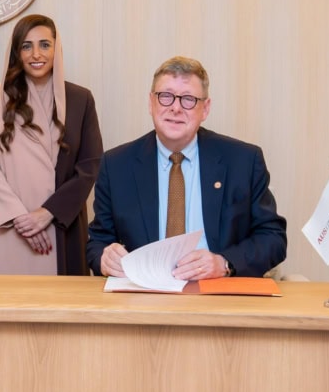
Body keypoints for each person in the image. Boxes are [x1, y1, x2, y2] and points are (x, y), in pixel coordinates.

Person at [86, 56, 287, 278]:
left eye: (188, 99)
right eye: (166, 96)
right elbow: (97, 242)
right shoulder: (116, 165)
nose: (176, 108)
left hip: (219, 293)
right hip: (144, 295)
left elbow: (273, 238)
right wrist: (105, 258)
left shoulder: (243, 161)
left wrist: (224, 263)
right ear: (151, 103)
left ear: (205, 109)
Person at [0, 14, 103, 275]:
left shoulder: (80, 99)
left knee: (59, 308)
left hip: (59, 223)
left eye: (45, 44)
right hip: (6, 224)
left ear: (57, 49)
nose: (36, 54)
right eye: (26, 45)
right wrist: (20, 218)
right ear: (16, 52)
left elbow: (90, 166)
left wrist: (47, 213)